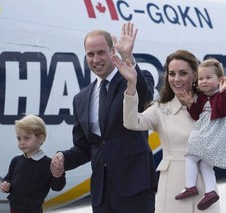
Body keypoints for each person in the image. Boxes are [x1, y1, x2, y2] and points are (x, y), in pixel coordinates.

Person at [50, 22, 157, 213]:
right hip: (101, 193)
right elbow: (85, 148)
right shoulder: (81, 99)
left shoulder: (133, 79)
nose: (96, 59)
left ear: (112, 51)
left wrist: (128, 57)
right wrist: (63, 158)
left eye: (101, 52)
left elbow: (145, 96)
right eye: (90, 54)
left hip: (135, 188)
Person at [113, 49, 221, 213]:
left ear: (195, 75)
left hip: (204, 188)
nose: (176, 79)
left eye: (183, 73)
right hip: (172, 186)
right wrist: (131, 85)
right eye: (172, 74)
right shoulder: (160, 109)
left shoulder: (211, 105)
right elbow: (131, 122)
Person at [175, 58, 226, 210]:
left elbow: (224, 109)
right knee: (204, 163)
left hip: (215, 133)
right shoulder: (203, 97)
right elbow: (197, 115)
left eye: (208, 78)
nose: (203, 81)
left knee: (190, 155)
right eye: (201, 78)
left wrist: (222, 92)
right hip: (208, 132)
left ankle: (190, 186)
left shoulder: (222, 95)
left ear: (220, 80)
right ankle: (210, 192)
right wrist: (190, 104)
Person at [0, 114, 66, 213]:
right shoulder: (16, 160)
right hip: (14, 209)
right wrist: (6, 184)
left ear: (41, 138)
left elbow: (57, 187)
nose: (21, 142)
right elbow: (9, 178)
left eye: (26, 138)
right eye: (19, 138)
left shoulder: (47, 164)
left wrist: (59, 173)